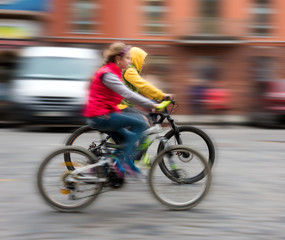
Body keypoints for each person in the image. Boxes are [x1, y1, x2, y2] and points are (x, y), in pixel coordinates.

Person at [84, 42, 159, 178]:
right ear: (118, 59)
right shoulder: (109, 74)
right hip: (101, 116)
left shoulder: (114, 72)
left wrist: (150, 102)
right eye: (127, 58)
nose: (130, 61)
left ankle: (104, 166)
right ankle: (123, 163)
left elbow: (131, 93)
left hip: (106, 113)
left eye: (131, 58)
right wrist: (152, 104)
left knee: (129, 138)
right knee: (141, 124)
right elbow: (128, 94)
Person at [118, 46, 173, 163]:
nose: (143, 64)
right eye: (142, 61)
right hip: (120, 107)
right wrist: (161, 95)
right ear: (136, 59)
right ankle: (134, 156)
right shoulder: (129, 71)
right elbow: (143, 85)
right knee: (145, 121)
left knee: (145, 120)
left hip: (124, 106)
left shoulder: (131, 71)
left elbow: (142, 89)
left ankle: (135, 153)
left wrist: (155, 100)